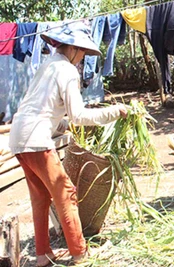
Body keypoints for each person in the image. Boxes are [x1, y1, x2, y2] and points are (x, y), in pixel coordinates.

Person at [8, 21, 128, 267]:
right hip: (36, 142)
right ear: (73, 48)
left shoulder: (48, 65)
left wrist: (60, 125)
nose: (82, 57)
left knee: (40, 198)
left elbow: (41, 108)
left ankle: (43, 255)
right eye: (82, 52)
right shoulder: (67, 71)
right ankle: (79, 253)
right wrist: (115, 112)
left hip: (19, 137)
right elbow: (79, 116)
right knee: (66, 194)